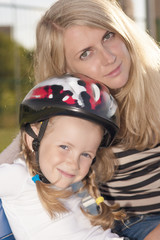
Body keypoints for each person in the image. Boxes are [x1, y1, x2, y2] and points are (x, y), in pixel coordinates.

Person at [1, 0, 160, 239]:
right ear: (64, 70)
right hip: (125, 222)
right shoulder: (64, 116)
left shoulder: (155, 81)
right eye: (86, 53)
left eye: (108, 36)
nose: (109, 58)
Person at [0, 74, 126, 240]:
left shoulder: (77, 185)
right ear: (33, 139)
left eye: (86, 154)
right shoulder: (19, 177)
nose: (74, 164)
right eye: (64, 147)